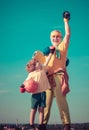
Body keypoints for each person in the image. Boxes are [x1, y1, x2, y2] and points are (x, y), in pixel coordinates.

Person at [42, 11, 71, 130]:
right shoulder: (47, 52)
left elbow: (68, 34)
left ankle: (66, 124)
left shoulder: (62, 47)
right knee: (46, 103)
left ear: (60, 38)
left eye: (58, 36)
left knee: (61, 101)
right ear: (50, 38)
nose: (55, 38)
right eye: (53, 36)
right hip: (47, 79)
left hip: (59, 76)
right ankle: (42, 124)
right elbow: (42, 66)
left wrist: (65, 21)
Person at [20, 55, 53, 130]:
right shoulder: (31, 74)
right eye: (37, 62)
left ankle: (41, 125)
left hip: (43, 94)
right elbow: (26, 82)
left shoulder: (43, 69)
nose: (39, 63)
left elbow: (47, 61)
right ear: (34, 66)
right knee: (33, 110)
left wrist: (51, 54)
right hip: (35, 95)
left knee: (41, 110)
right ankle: (31, 125)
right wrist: (22, 87)